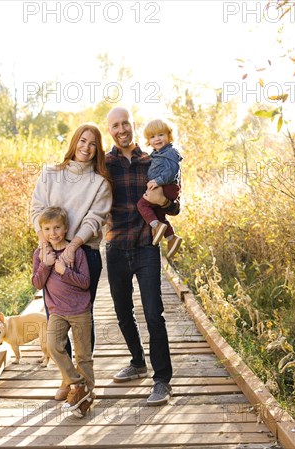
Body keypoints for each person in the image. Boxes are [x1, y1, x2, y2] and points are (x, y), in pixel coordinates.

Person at [30, 123, 112, 400]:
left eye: (93, 144)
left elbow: (95, 219)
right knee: (55, 317)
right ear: (74, 141)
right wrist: (46, 245)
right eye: (83, 141)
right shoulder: (51, 173)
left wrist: (73, 245)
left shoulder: (100, 183)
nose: (86, 148)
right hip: (50, 252)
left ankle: (85, 382)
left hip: (83, 253)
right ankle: (69, 379)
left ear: (97, 150)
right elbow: (37, 210)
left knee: (81, 321)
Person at [105, 107, 179, 406]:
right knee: (123, 313)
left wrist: (165, 200)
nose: (121, 129)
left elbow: (174, 205)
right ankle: (137, 362)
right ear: (109, 130)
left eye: (126, 124)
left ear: (132, 126)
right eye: (115, 126)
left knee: (153, 313)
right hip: (115, 246)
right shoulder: (104, 163)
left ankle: (162, 380)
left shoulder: (153, 158)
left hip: (147, 245)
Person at [31, 206, 95, 418]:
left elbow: (85, 283)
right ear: (41, 230)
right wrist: (46, 265)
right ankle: (77, 384)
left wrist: (64, 272)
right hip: (57, 311)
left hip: (80, 310)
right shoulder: (40, 254)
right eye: (47, 228)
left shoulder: (76, 252)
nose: (53, 233)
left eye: (57, 227)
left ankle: (84, 401)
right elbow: (37, 283)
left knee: (83, 355)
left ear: (65, 228)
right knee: (53, 345)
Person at [137, 118, 183, 258]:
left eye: (161, 135)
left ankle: (156, 226)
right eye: (152, 136)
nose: (157, 139)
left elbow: (172, 170)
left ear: (169, 135)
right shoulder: (156, 154)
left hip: (167, 186)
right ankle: (171, 238)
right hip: (164, 187)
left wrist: (158, 181)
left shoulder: (170, 152)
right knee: (158, 213)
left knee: (142, 204)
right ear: (148, 140)